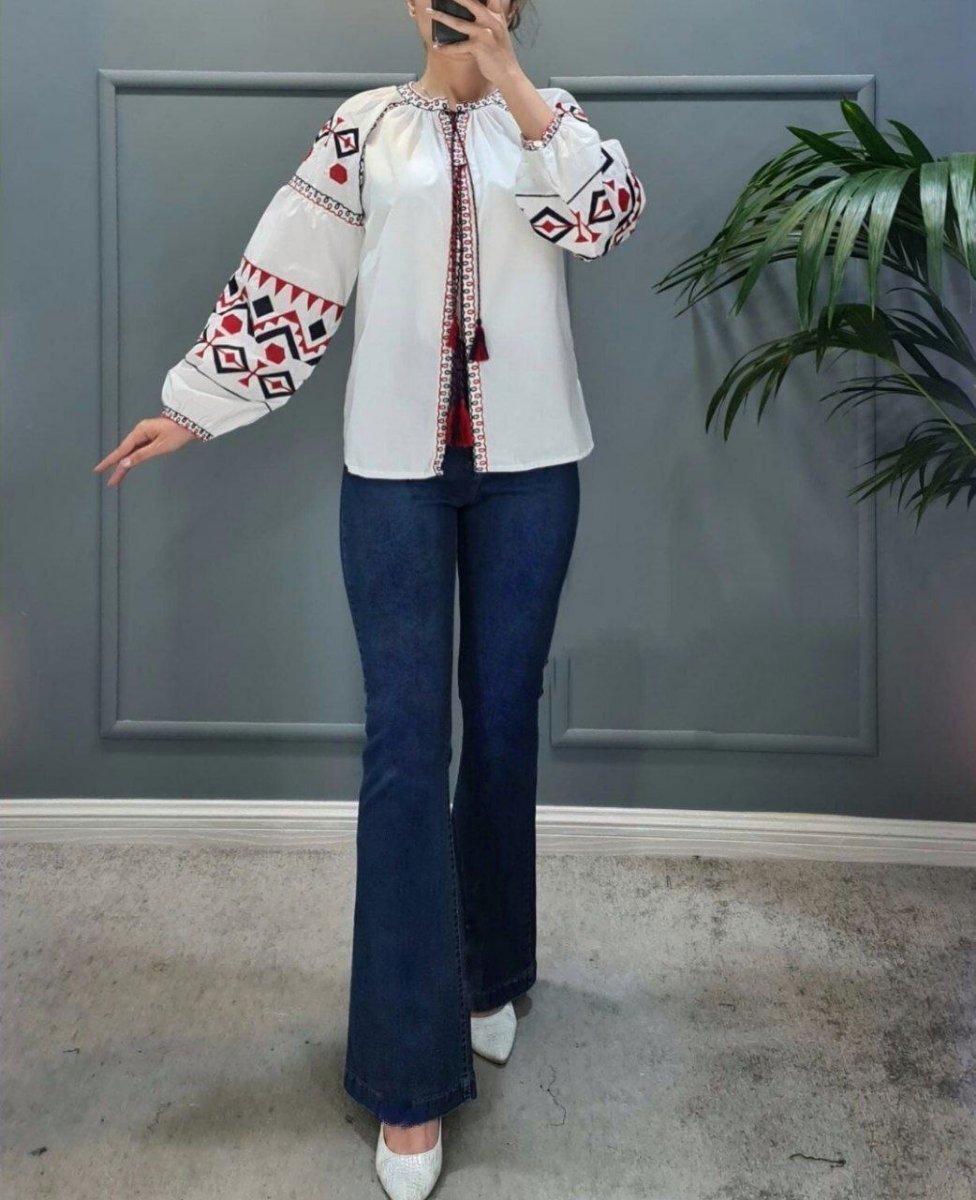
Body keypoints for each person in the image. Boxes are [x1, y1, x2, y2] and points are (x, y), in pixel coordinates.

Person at [94, 1, 644, 1195]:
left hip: (534, 474)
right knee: (403, 746)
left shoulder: (549, 123)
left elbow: (602, 219)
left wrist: (511, 80)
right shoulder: (362, 130)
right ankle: (406, 1079)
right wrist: (193, 405)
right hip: (392, 479)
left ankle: (489, 974)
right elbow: (290, 278)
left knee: (503, 725)